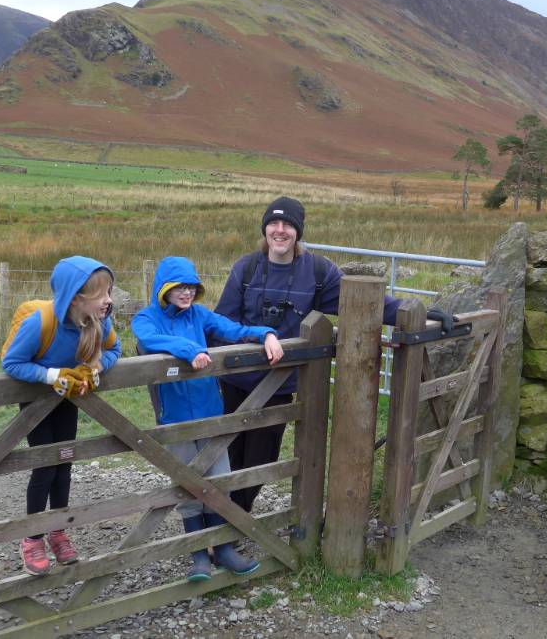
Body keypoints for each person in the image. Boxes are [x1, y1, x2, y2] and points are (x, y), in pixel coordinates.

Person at [214, 196, 456, 513]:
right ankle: (226, 519)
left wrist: (419, 312)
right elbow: (221, 322)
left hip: (278, 384)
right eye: (273, 223)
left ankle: (233, 516)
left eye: (287, 224)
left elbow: (367, 303)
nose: (280, 230)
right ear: (265, 229)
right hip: (237, 378)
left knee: (262, 457)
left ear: (298, 231)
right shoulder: (245, 268)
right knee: (227, 451)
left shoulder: (316, 272)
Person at [133, 256, 284, 582]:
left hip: (210, 413)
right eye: (179, 287)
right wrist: (189, 351)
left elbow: (233, 329)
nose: (186, 293)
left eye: (191, 287)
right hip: (175, 419)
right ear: (164, 289)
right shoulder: (148, 318)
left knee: (219, 480)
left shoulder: (200, 315)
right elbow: (148, 339)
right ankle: (199, 555)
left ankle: (222, 548)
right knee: (188, 483)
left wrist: (267, 334)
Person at [2, 255, 122, 576]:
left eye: (109, 292)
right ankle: (32, 538)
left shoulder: (101, 322)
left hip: (69, 401)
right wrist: (54, 376)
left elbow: (114, 350)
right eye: (101, 294)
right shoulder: (40, 324)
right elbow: (12, 363)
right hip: (37, 403)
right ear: (76, 296)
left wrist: (96, 368)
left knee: (64, 464)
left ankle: (58, 531)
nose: (109, 301)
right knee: (44, 468)